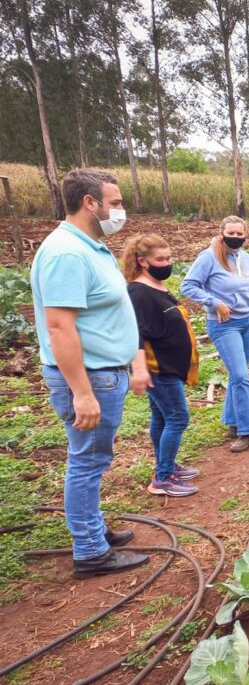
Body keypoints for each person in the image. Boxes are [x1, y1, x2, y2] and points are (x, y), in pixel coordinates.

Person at [30, 169, 150, 579]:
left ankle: (93, 530)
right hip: (91, 378)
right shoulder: (67, 253)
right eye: (115, 202)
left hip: (104, 372)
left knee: (93, 459)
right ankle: (90, 550)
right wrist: (82, 392)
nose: (120, 211)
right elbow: (60, 326)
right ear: (89, 203)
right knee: (87, 461)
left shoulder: (91, 247)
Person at [181, 216, 249, 452]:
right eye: (231, 233)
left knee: (237, 375)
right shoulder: (208, 257)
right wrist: (214, 302)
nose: (236, 238)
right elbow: (188, 285)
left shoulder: (246, 258)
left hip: (247, 322)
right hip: (224, 325)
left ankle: (232, 422)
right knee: (240, 376)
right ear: (222, 233)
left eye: (240, 234)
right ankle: (248, 430)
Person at [123, 234, 201, 497]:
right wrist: (140, 368)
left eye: (168, 258)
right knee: (178, 417)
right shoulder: (138, 292)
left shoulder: (155, 285)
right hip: (158, 368)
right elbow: (135, 332)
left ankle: (164, 466)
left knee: (161, 416)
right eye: (160, 259)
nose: (166, 263)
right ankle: (163, 477)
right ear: (143, 261)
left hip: (171, 366)